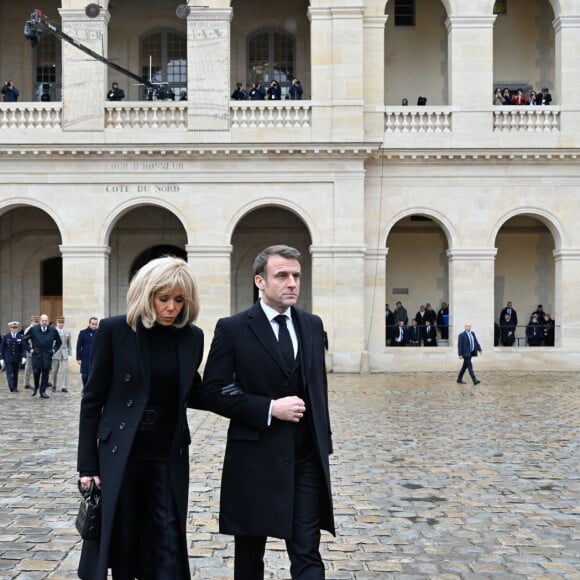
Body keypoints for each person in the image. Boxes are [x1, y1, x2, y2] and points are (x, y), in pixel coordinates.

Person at [201, 244, 335, 580]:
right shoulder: (232, 328)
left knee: (307, 552)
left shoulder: (312, 325)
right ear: (260, 282)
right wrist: (269, 408)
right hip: (254, 458)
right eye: (282, 275)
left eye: (296, 276)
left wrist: (324, 443)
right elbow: (213, 392)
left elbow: (318, 390)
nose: (292, 283)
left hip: (305, 458)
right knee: (249, 558)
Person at [76, 256, 204, 580]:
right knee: (125, 541)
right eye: (164, 299)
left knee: (166, 542)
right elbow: (92, 402)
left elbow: (200, 392)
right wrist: (87, 467)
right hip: (122, 453)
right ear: (146, 295)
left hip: (167, 454)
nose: (171, 308)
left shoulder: (191, 337)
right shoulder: (115, 330)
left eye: (179, 300)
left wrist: (265, 407)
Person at [24, 314, 62, 398]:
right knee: (36, 372)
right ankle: (36, 386)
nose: (44, 322)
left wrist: (54, 350)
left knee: (45, 374)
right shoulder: (33, 329)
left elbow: (59, 342)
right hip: (36, 355)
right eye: (43, 321)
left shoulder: (52, 330)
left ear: (48, 321)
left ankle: (43, 391)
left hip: (47, 355)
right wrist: (30, 349)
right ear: (40, 321)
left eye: (46, 321)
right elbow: (24, 340)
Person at [0, 321, 27, 392]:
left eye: (15, 328)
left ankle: (15, 387)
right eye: (13, 328)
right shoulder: (6, 336)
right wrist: (1, 358)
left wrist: (24, 357)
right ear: (10, 328)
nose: (14, 329)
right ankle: (11, 385)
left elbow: (23, 348)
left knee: (15, 373)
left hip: (17, 358)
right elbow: (2, 348)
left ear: (17, 329)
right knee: (9, 371)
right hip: (8, 358)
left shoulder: (20, 337)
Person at [50, 316, 71, 393]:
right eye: (59, 323)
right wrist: (51, 352)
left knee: (65, 370)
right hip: (56, 352)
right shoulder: (53, 331)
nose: (61, 324)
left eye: (62, 323)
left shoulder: (67, 332)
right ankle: (53, 385)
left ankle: (64, 386)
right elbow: (50, 342)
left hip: (64, 352)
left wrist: (70, 354)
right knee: (54, 370)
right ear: (57, 323)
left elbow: (69, 344)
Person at [76, 317, 99, 388]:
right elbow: (79, 346)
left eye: (96, 324)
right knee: (85, 375)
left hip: (96, 357)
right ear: (89, 323)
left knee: (94, 375)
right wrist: (79, 358)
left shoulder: (99, 333)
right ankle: (85, 388)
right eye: (93, 324)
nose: (94, 326)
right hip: (85, 357)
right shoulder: (83, 333)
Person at [23, 315, 40, 389]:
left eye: (37, 322)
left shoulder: (38, 329)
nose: (36, 323)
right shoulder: (28, 329)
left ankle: (37, 383)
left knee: (38, 367)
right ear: (32, 321)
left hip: (38, 351)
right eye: (35, 322)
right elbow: (26, 340)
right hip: (31, 350)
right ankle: (26, 383)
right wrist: (30, 349)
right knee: (28, 367)